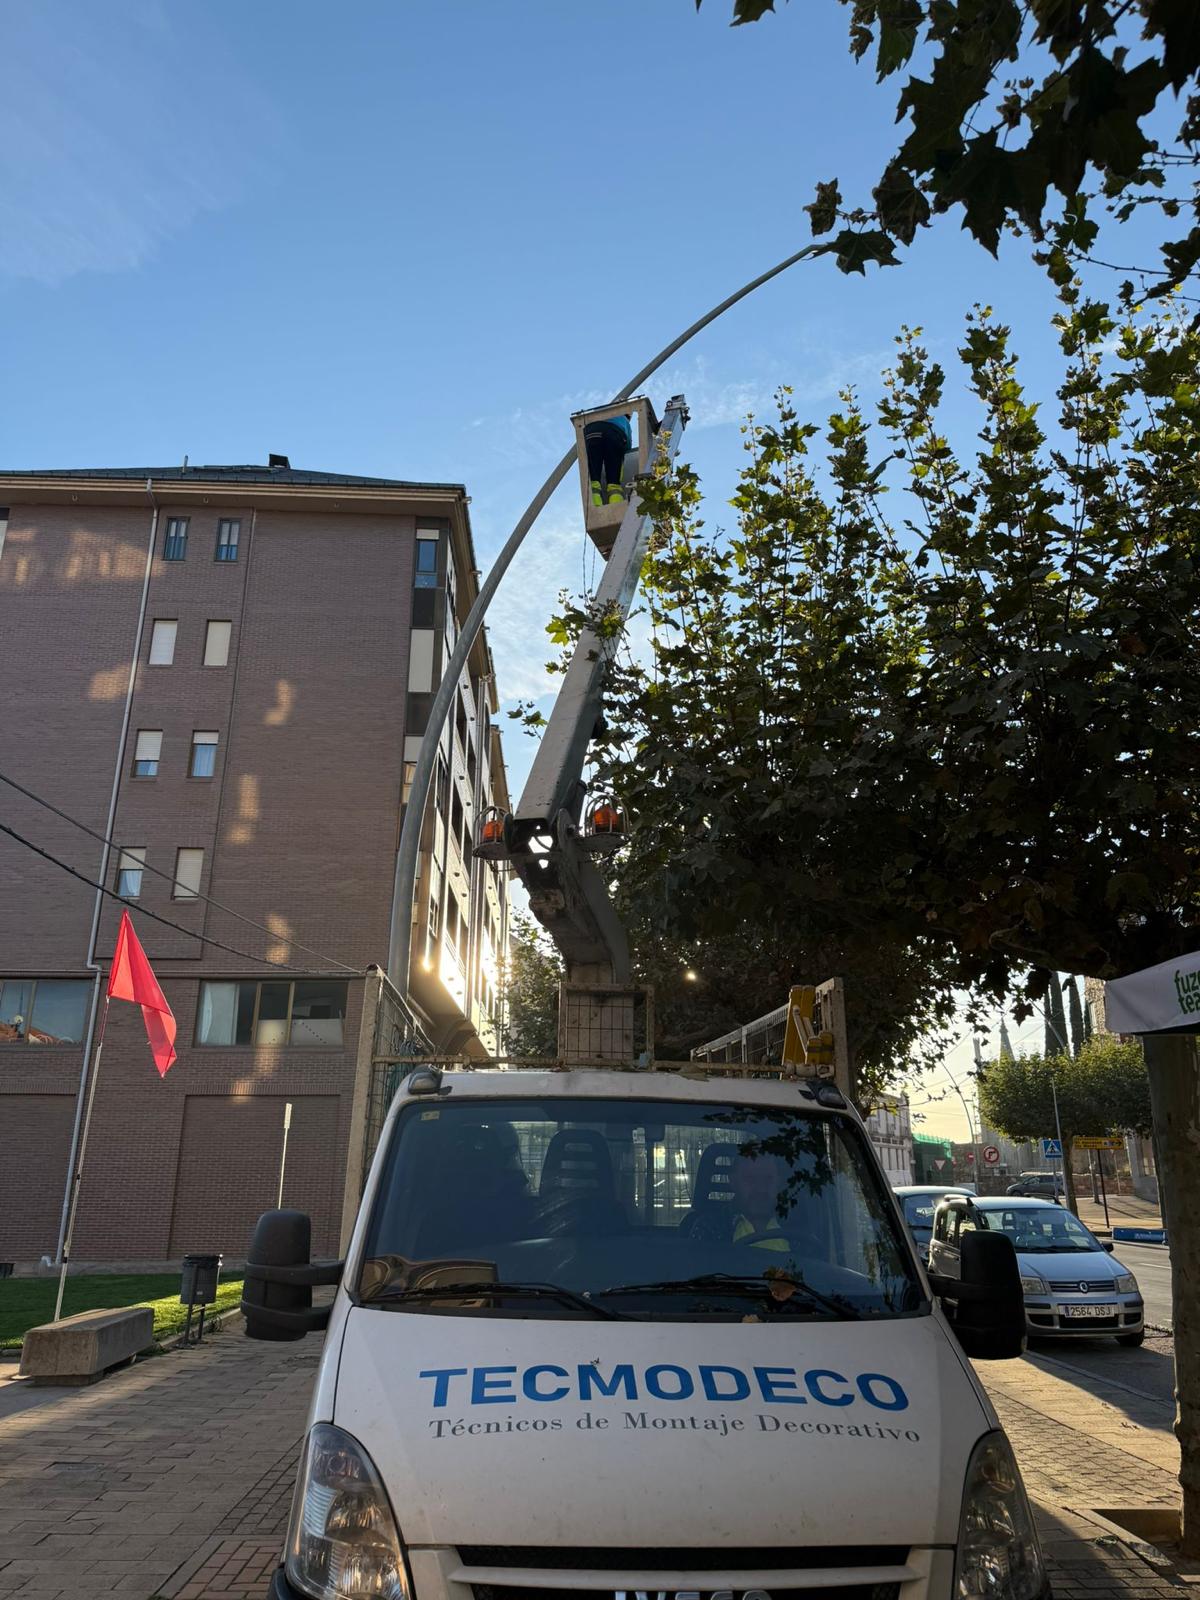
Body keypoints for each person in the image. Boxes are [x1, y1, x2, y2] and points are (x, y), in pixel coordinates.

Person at [730, 1150, 791, 1253]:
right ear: (733, 1182)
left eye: (768, 1179)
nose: (760, 1189)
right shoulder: (711, 1230)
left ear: (779, 1182)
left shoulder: (801, 1229)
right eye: (750, 1179)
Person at [584, 413, 632, 507]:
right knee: (614, 483)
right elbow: (628, 446)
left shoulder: (602, 412)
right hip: (613, 434)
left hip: (591, 432)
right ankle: (616, 506)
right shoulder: (625, 421)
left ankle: (595, 507)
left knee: (593, 480)